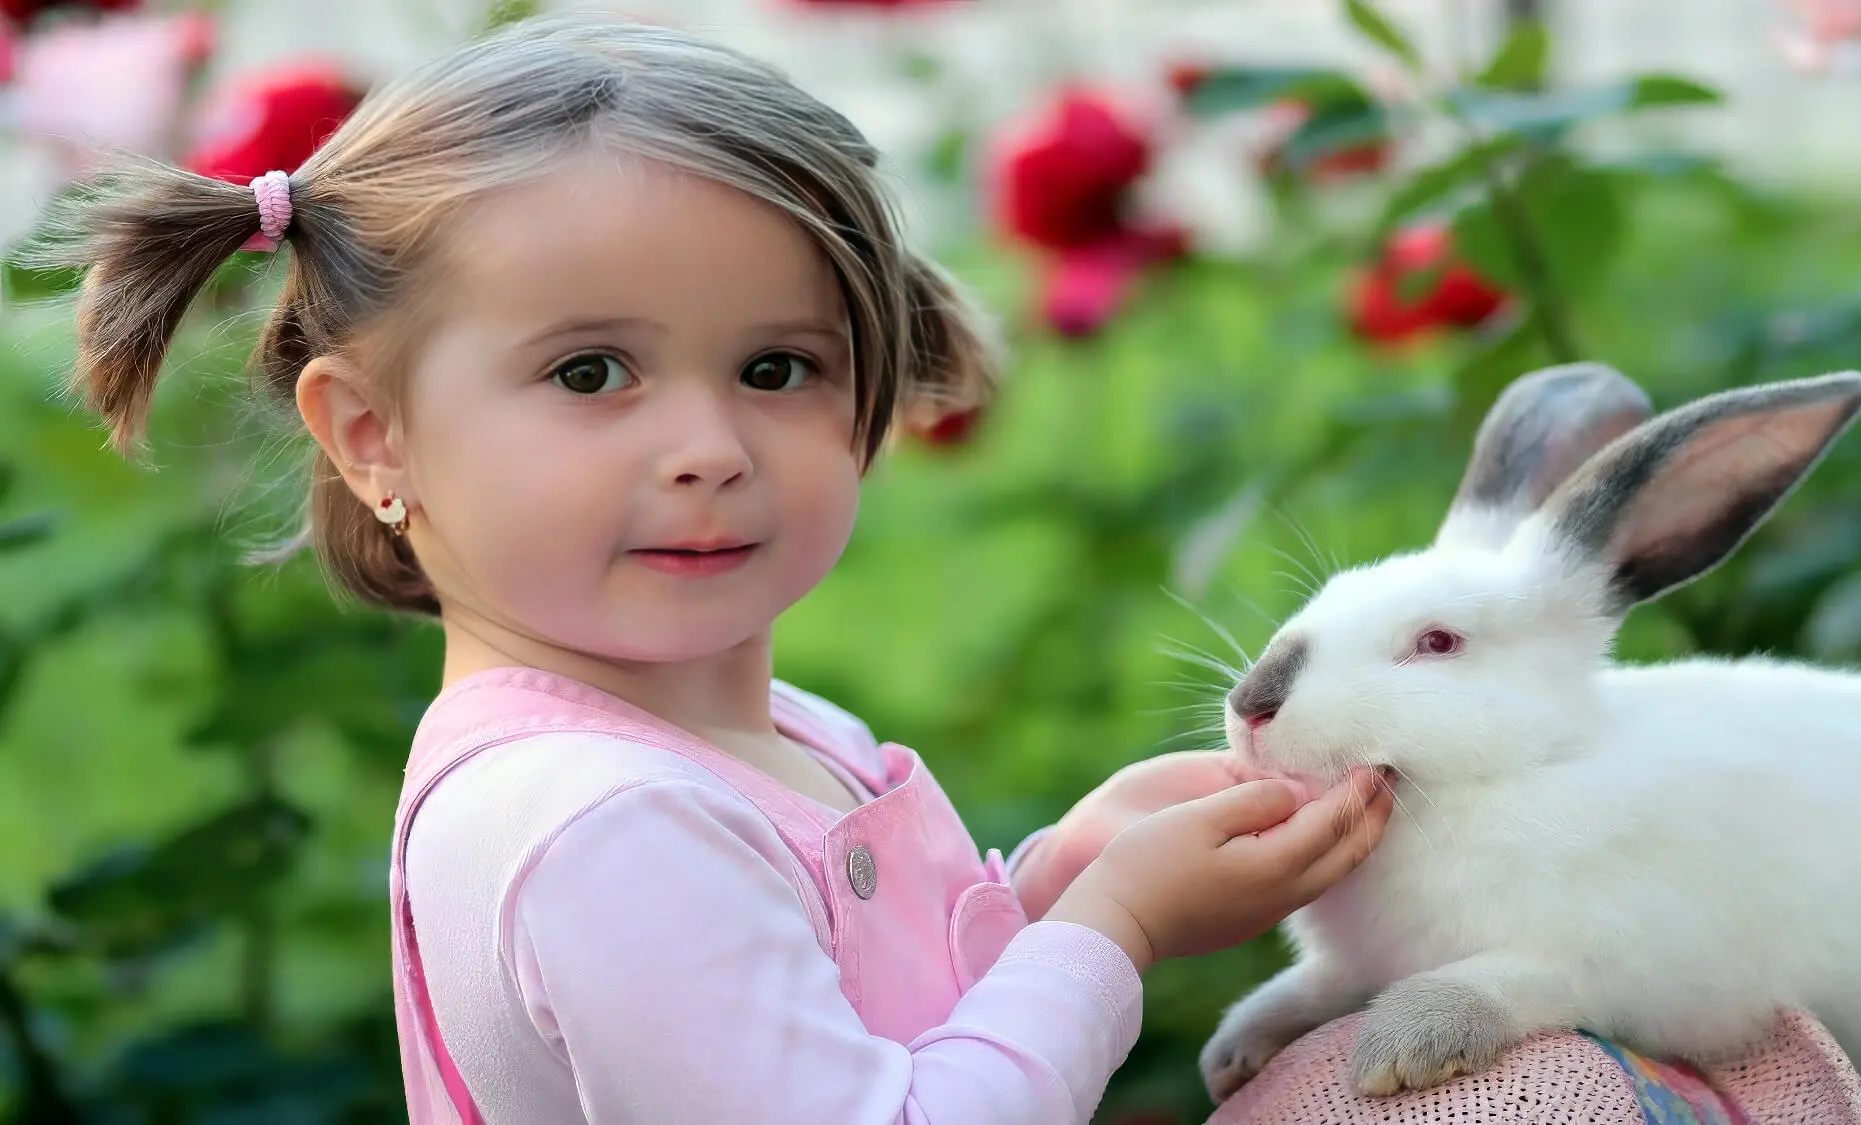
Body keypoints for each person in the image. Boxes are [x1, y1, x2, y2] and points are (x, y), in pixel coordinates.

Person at [30, 13, 1394, 1124]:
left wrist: (1055, 878)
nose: (708, 446)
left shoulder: (751, 738)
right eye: (590, 373)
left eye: (776, 368)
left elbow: (868, 1029)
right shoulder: (600, 824)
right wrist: (1115, 928)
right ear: (376, 436)